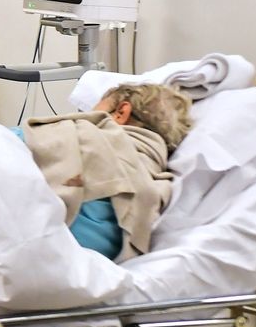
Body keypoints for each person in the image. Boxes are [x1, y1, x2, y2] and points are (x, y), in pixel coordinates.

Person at [18, 83, 192, 260]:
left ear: (121, 112)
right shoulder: (156, 192)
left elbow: (5, 146)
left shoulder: (76, 134)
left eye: (96, 109)